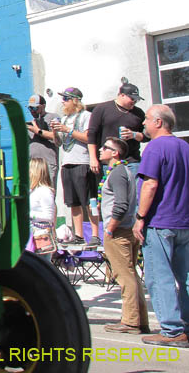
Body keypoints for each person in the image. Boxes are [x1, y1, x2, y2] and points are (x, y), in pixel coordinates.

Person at [132, 104, 189, 348]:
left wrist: (140, 216)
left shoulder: (154, 147)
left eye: (146, 119)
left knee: (159, 277)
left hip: (160, 222)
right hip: (184, 221)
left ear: (158, 122)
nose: (143, 123)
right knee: (185, 277)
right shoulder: (184, 147)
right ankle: (185, 326)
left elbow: (150, 184)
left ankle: (172, 330)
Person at [100, 136, 149, 334]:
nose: (100, 149)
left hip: (119, 231)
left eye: (105, 147)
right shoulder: (122, 171)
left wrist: (110, 228)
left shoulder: (118, 173)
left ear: (115, 153)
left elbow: (120, 205)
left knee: (124, 276)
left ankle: (130, 321)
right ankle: (140, 320)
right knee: (131, 274)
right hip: (126, 228)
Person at [52, 87, 98, 246]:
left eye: (66, 99)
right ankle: (79, 235)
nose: (63, 102)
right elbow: (59, 143)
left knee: (90, 200)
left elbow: (88, 137)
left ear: (75, 100)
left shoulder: (86, 116)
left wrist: (68, 130)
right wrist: (55, 131)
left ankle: (95, 234)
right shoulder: (64, 118)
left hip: (82, 161)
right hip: (67, 163)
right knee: (74, 202)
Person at [88, 83, 147, 176]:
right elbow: (92, 135)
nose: (134, 102)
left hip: (132, 162)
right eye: (132, 99)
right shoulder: (102, 109)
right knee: (111, 185)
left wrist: (134, 135)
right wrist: (93, 158)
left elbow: (147, 136)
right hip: (109, 162)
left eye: (137, 100)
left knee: (133, 186)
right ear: (122, 95)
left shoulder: (138, 113)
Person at [26, 94, 58, 190]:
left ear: (43, 106)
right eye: (30, 108)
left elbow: (57, 137)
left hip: (47, 163)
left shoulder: (52, 118)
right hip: (34, 164)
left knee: (49, 191)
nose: (32, 111)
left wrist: (37, 131)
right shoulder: (31, 123)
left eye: (35, 108)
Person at [28, 157, 57, 259]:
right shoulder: (33, 190)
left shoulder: (45, 191)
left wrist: (29, 214)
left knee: (40, 263)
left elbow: (49, 216)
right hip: (31, 233)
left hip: (40, 234)